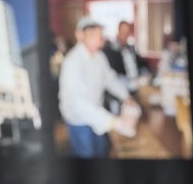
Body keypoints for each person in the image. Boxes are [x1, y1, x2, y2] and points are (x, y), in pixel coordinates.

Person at [58, 16, 139, 158]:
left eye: (99, 34)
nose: (99, 38)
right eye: (93, 34)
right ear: (80, 35)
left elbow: (110, 79)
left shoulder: (99, 56)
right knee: (87, 156)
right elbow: (79, 103)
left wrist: (126, 97)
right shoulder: (72, 62)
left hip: (97, 114)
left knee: (102, 151)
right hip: (79, 120)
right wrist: (115, 122)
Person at [103, 21, 152, 93]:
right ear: (118, 32)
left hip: (138, 85)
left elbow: (140, 63)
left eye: (127, 32)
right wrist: (132, 82)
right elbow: (113, 74)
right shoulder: (110, 50)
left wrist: (146, 72)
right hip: (123, 88)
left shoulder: (131, 48)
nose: (125, 35)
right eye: (123, 32)